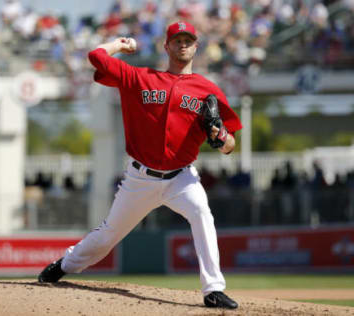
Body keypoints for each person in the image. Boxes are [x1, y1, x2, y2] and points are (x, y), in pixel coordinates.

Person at [38, 21, 242, 310]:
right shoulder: (140, 78)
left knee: (202, 214)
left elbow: (230, 145)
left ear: (196, 46)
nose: (182, 44)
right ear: (166, 46)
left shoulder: (207, 90)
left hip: (181, 178)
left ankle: (213, 290)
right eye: (176, 40)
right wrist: (119, 45)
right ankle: (64, 265)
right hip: (140, 178)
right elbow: (96, 58)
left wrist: (221, 137)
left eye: (188, 40)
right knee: (108, 236)